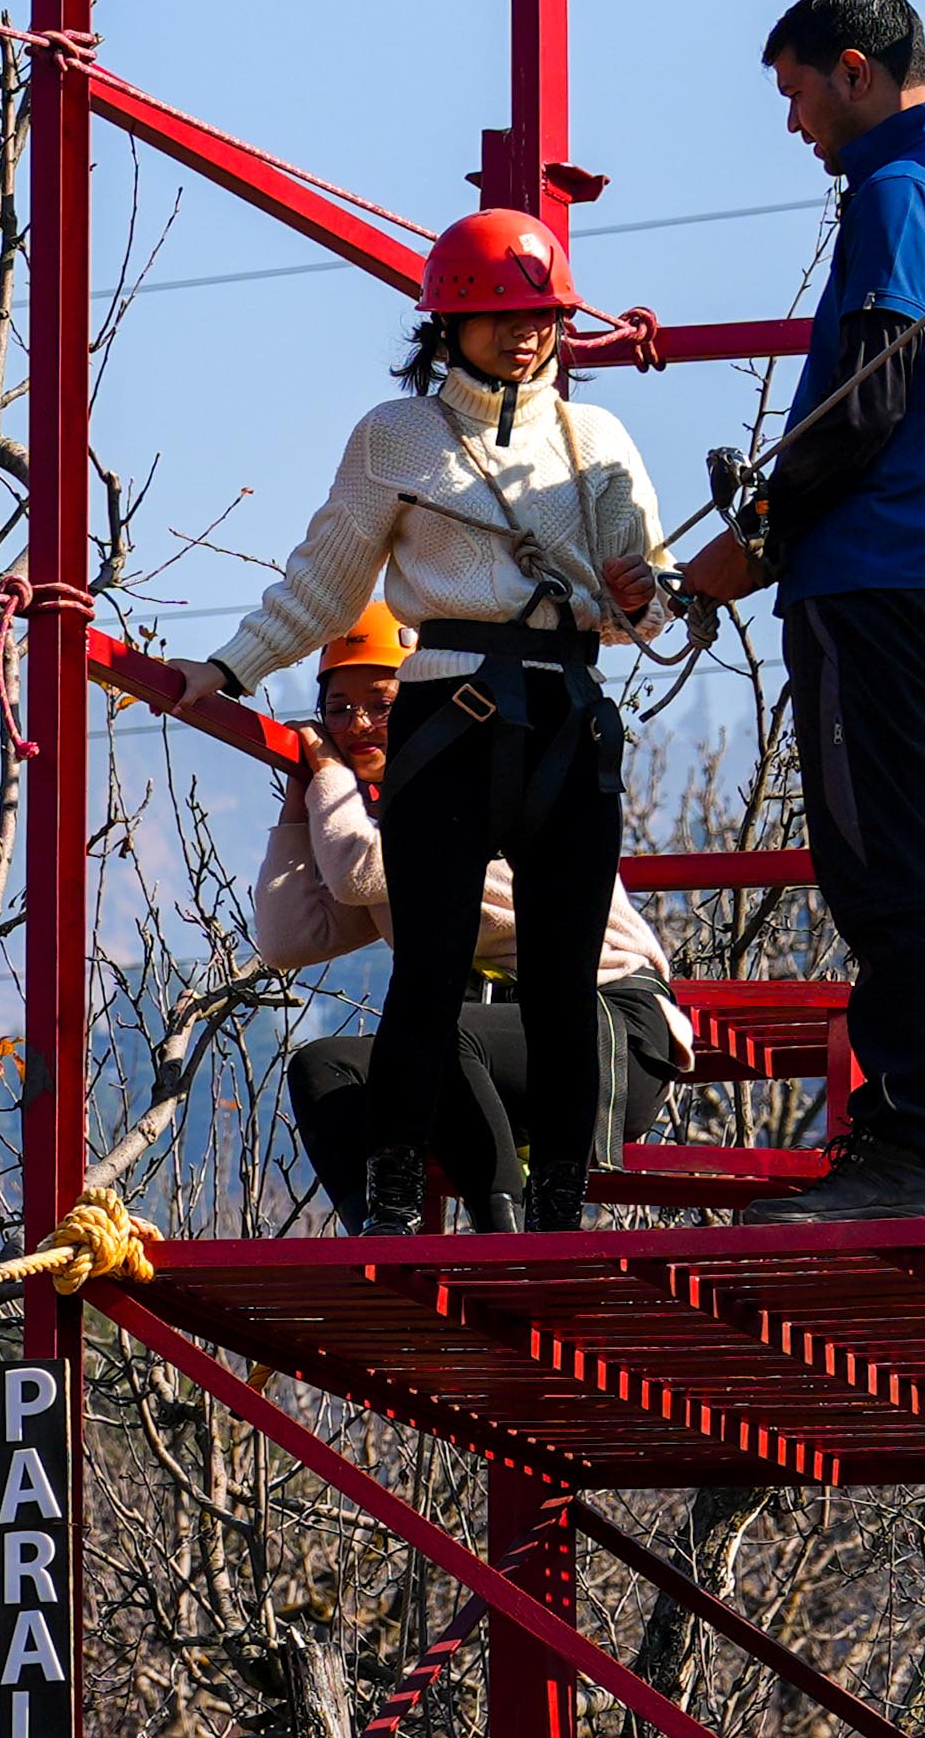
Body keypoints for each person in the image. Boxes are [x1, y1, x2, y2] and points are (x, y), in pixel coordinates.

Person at [174, 210, 673, 1234]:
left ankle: (560, 1210)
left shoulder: (598, 443)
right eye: (499, 316)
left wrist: (641, 592)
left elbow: (649, 614)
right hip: (449, 705)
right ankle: (397, 1193)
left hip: (569, 710)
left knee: (564, 973)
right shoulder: (397, 437)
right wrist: (229, 666)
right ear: (445, 323)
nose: (524, 334)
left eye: (539, 315)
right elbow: (326, 577)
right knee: (430, 965)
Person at [675, 0, 925, 1225]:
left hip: (874, 580)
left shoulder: (895, 189)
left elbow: (865, 396)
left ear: (854, 69)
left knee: (889, 870)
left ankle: (911, 1154)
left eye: (795, 94)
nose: (794, 128)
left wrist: (754, 541)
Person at [254, 600, 694, 1229]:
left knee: (440, 1032)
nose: (358, 725)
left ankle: (503, 1234)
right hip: (492, 1047)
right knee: (324, 1065)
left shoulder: (479, 805)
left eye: (382, 703)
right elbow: (291, 939)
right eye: (338, 709)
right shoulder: (384, 833)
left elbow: (360, 871)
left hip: (607, 1034)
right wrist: (300, 807)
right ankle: (381, 1238)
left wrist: (325, 774)